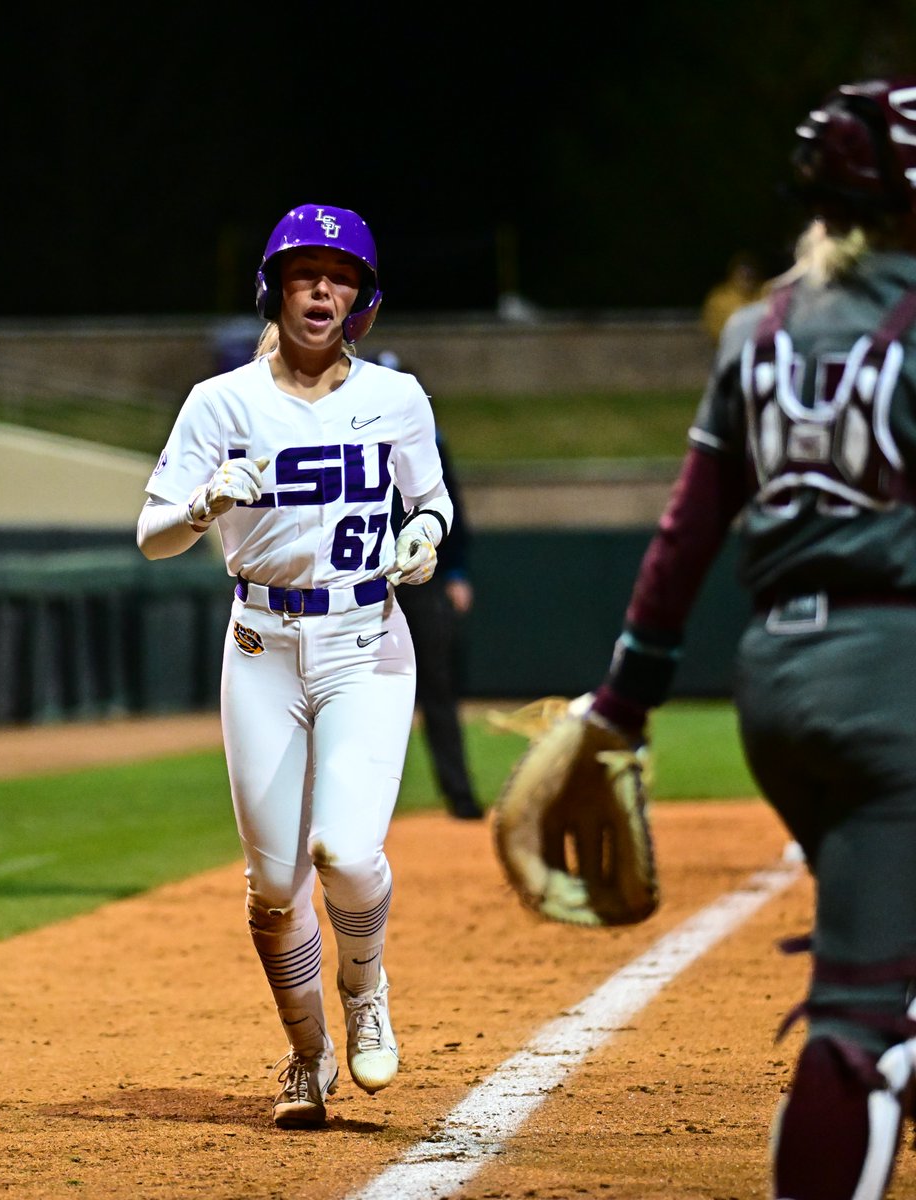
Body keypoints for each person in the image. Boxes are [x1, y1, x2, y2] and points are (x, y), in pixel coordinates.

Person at [578, 78, 916, 1200]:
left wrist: (621, 702)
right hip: (898, 687)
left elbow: (689, 527)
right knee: (863, 1026)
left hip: (780, 685)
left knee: (891, 940)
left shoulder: (757, 326)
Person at [136, 203, 452, 1128]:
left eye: (341, 275)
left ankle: (365, 993)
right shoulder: (219, 401)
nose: (323, 288)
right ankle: (305, 1056)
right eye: (306, 273)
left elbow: (430, 503)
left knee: (346, 854)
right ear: (274, 288)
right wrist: (200, 504)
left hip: (366, 641)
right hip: (261, 645)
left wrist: (425, 534)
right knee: (274, 885)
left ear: (362, 298)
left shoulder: (396, 397)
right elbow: (150, 535)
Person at [378, 351, 484, 820]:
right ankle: (369, 804)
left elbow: (449, 506)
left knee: (438, 688)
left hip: (422, 577)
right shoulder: (348, 434)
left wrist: (456, 573)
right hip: (364, 581)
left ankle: (459, 796)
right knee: (366, 695)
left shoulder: (427, 438)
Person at [700, 250, 767, 341]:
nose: (746, 274)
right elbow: (715, 330)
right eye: (741, 271)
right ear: (732, 273)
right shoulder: (719, 299)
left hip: (760, 348)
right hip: (730, 349)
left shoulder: (765, 294)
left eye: (751, 271)